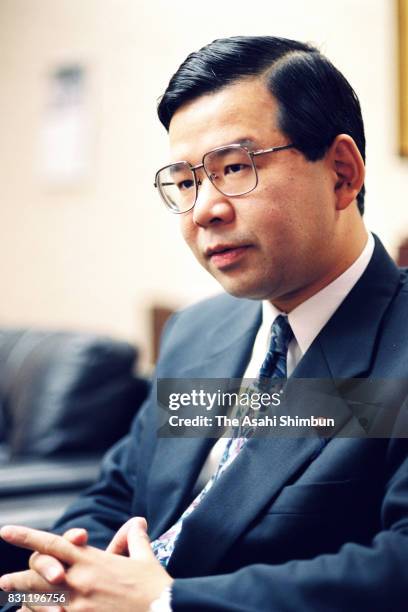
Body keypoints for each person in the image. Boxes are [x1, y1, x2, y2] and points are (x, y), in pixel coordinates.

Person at [1, 35, 408, 612]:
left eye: (235, 168)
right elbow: (121, 489)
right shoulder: (199, 331)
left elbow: (398, 566)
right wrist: (63, 562)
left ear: (342, 173)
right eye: (187, 181)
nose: (203, 210)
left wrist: (165, 601)